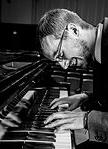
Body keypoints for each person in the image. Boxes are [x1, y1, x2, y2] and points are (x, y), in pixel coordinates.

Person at [38, 8, 108, 147]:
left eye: (60, 54)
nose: (64, 66)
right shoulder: (99, 49)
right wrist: (87, 97)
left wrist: (87, 120)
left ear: (74, 30)